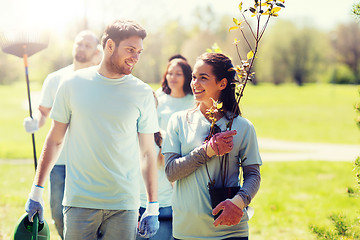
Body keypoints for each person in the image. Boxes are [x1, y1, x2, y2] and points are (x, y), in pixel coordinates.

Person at [25, 19, 160, 240]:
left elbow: (147, 153)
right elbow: (55, 140)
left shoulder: (142, 92)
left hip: (123, 205)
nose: (136, 57)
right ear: (109, 46)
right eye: (130, 50)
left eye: (139, 52)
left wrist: (153, 205)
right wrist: (36, 192)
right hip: (80, 202)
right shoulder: (71, 84)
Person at [162, 52, 262, 240]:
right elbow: (171, 172)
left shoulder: (243, 126)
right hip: (187, 231)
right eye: (193, 77)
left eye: (203, 78)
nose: (195, 83)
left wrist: (238, 203)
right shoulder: (178, 121)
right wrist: (207, 151)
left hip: (231, 231)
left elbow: (253, 176)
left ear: (222, 84)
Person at [22, 29, 101, 239]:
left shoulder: (101, 80)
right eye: (79, 43)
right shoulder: (55, 78)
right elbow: (43, 112)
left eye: (87, 45)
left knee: (90, 213)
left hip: (89, 160)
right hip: (59, 161)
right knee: (57, 212)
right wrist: (34, 121)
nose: (81, 48)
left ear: (96, 51)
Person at [138, 58, 194, 240]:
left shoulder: (194, 100)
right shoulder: (159, 97)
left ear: (187, 77)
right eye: (170, 73)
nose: (173, 77)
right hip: (158, 153)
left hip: (185, 156)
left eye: (178, 73)